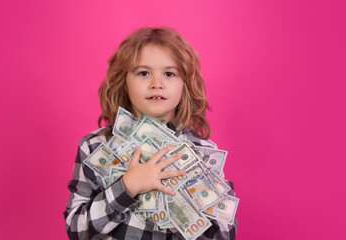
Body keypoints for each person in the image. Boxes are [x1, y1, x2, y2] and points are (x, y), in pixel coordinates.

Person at [64, 27, 237, 240]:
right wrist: (127, 186)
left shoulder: (203, 153)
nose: (157, 84)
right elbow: (76, 230)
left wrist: (185, 198)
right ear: (124, 81)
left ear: (185, 84)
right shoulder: (94, 146)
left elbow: (225, 235)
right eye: (144, 73)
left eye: (169, 74)